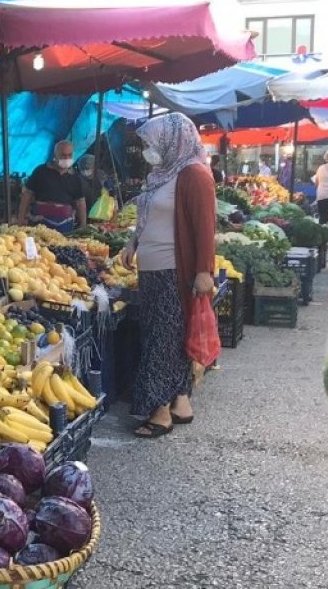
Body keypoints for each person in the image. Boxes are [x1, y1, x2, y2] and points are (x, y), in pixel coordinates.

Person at [116, 113, 217, 438]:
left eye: (152, 142)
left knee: (161, 340)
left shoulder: (195, 174)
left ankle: (160, 413)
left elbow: (205, 227)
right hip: (152, 268)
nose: (148, 148)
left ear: (173, 140)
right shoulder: (160, 175)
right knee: (170, 337)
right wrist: (132, 243)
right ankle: (181, 403)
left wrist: (204, 271)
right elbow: (145, 218)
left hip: (177, 270)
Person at [18, 140, 86, 233]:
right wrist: (21, 218)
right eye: (63, 155)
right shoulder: (41, 171)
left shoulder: (75, 176)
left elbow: (80, 201)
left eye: (69, 155)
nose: (66, 158)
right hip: (39, 223)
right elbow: (27, 195)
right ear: (55, 155)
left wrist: (83, 224)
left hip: (65, 225)